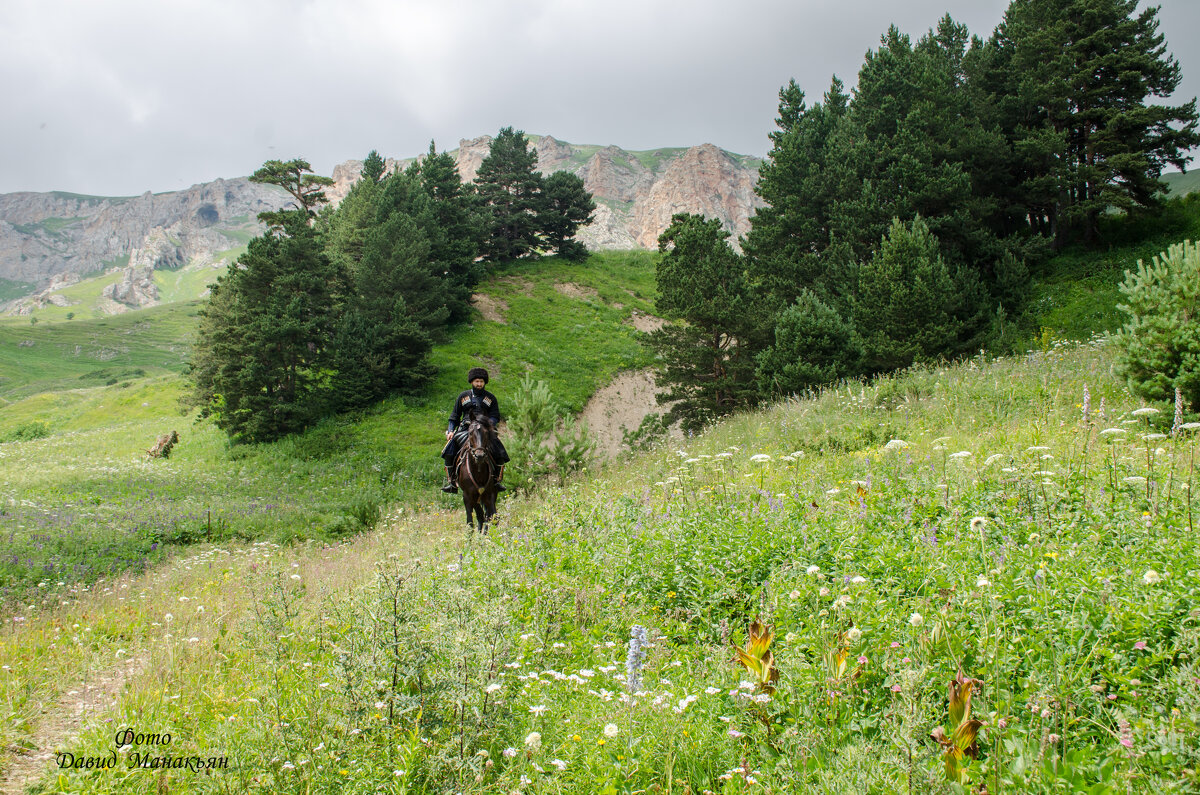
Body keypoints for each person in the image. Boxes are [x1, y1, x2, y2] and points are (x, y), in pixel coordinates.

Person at [441, 367, 510, 493]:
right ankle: (451, 482)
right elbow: (454, 416)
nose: (479, 384)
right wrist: (451, 430)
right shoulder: (463, 397)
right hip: (465, 430)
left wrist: (488, 424)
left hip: (485, 430)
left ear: (485, 383)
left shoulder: (491, 398)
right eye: (477, 381)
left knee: (500, 451)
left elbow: (495, 416)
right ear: (472, 382)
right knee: (448, 451)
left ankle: (497, 481)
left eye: (481, 382)